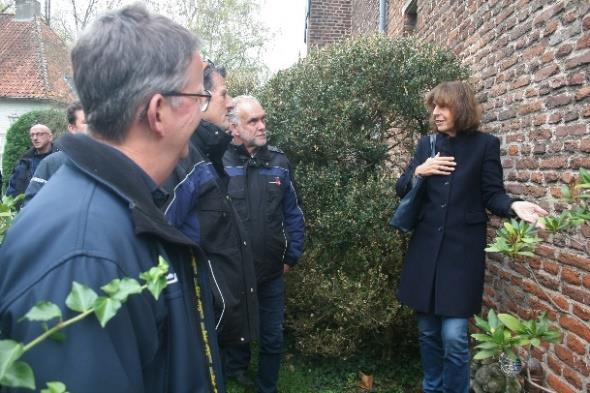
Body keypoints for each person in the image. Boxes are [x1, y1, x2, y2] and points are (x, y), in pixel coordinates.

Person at [0, 4, 224, 393]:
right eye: (197, 95)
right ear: (158, 112)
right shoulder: (85, 253)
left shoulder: (120, 208)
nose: (204, 108)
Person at [395, 81, 548, 393]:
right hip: (425, 251)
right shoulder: (427, 145)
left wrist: (514, 205)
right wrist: (420, 171)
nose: (436, 113)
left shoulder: (485, 146)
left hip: (461, 255)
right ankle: (432, 387)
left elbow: (493, 194)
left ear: (461, 108)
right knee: (427, 331)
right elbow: (401, 189)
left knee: (453, 336)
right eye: (433, 107)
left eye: (443, 106)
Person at [163, 60, 259, 378]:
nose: (230, 102)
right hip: (198, 329)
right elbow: (163, 247)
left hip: (212, 329)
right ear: (198, 98)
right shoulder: (183, 157)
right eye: (223, 93)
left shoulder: (208, 153)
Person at [222, 95, 305, 393]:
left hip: (271, 272)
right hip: (233, 272)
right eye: (252, 121)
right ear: (234, 128)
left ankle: (266, 386)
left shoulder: (279, 163)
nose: (261, 126)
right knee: (235, 329)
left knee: (272, 336)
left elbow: (293, 212)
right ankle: (235, 371)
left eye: (262, 119)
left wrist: (291, 255)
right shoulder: (221, 164)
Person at [23, 102, 88, 205]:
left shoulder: (112, 162)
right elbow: (29, 206)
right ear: (72, 128)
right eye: (86, 122)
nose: (35, 138)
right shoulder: (51, 163)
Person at [5, 124, 58, 197]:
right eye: (32, 135)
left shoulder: (61, 159)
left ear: (50, 137)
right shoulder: (24, 161)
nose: (35, 138)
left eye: (40, 134)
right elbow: (12, 189)